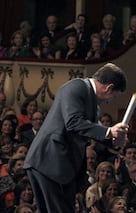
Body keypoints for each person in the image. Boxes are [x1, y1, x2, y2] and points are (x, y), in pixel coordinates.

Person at [23, 63, 128, 213]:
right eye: (114, 96)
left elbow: (92, 130)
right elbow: (73, 122)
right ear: (109, 88)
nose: (110, 101)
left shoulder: (92, 101)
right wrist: (110, 131)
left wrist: (115, 141)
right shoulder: (76, 87)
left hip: (57, 165)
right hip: (50, 161)